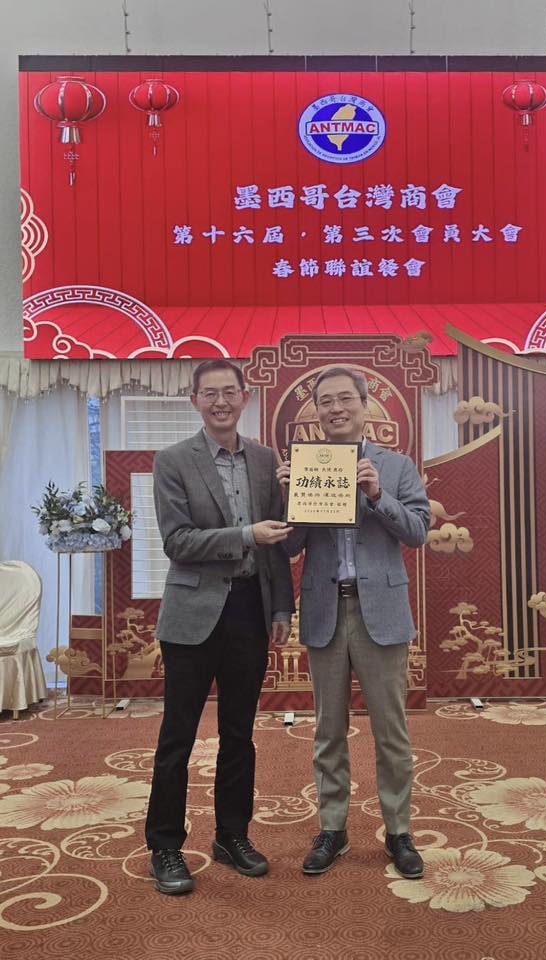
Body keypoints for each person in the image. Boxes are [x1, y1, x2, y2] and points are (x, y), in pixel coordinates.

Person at [145, 358, 294, 895]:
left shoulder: (266, 459)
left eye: (229, 391)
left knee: (239, 733)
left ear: (245, 396)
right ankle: (164, 845)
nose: (220, 402)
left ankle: (232, 836)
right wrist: (246, 534)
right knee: (177, 736)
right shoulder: (172, 461)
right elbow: (177, 542)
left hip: (250, 609)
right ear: (194, 401)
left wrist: (282, 609)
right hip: (192, 614)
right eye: (209, 393)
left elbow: (278, 539)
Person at [277, 366, 430, 879]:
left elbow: (417, 532)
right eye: (326, 401)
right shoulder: (305, 466)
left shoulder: (397, 466)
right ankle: (333, 828)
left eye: (346, 399)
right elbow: (291, 547)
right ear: (316, 412)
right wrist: (290, 499)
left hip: (380, 611)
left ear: (366, 406)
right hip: (325, 608)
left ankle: (399, 831)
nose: (336, 408)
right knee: (327, 730)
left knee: (391, 731)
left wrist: (378, 496)